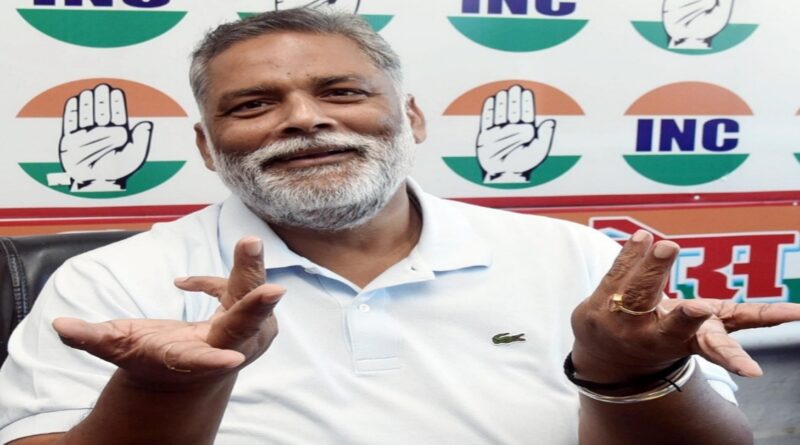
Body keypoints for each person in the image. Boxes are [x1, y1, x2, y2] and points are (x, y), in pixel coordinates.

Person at [1, 8, 799, 445]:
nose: (304, 119)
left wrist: (627, 375)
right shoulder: (113, 282)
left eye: (342, 92)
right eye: (253, 104)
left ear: (411, 118)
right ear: (208, 149)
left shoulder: (576, 258)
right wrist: (163, 389)